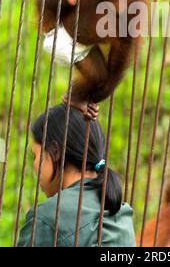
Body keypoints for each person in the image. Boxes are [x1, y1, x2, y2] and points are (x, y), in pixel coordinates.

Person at [17, 103, 136, 247]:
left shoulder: (47, 220)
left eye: (35, 156)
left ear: (55, 151)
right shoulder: (121, 215)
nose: (34, 166)